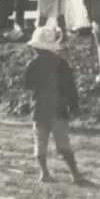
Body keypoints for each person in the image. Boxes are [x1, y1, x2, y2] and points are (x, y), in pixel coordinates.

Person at [25, 24, 86, 185]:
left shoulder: (33, 64)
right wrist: (74, 105)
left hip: (39, 108)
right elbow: (70, 87)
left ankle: (44, 172)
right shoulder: (62, 64)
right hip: (59, 107)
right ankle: (75, 174)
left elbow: (28, 85)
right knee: (63, 143)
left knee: (40, 142)